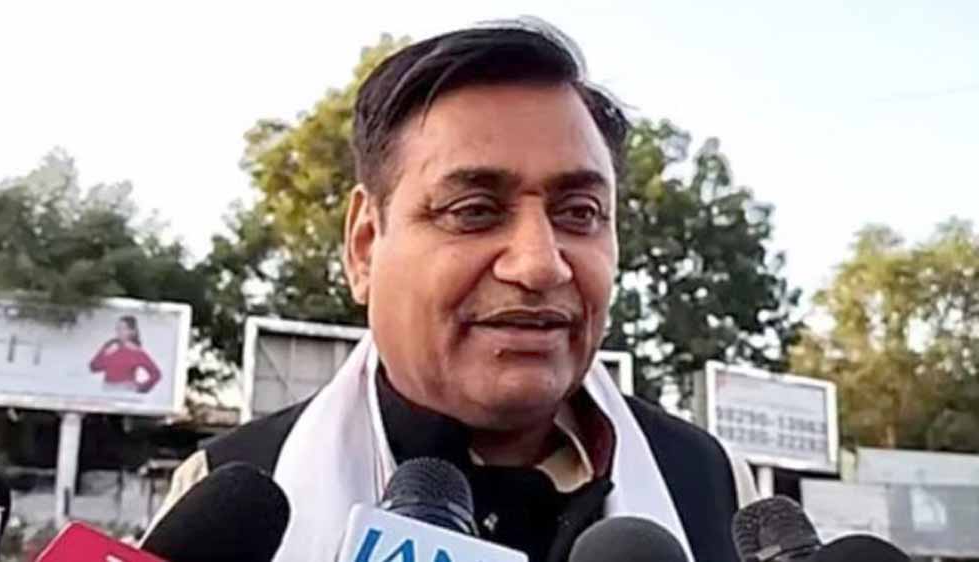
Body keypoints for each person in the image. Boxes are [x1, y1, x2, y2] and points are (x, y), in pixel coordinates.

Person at [146, 19, 756, 562]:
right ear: (364, 245)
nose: (540, 266)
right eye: (473, 211)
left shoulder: (713, 489)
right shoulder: (222, 502)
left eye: (579, 213)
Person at [89, 315, 161, 394]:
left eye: (123, 328)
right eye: (117, 328)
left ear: (132, 331)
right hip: (106, 391)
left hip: (126, 394)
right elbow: (93, 367)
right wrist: (105, 353)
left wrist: (141, 389)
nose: (119, 331)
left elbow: (156, 374)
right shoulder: (110, 345)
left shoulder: (137, 352)